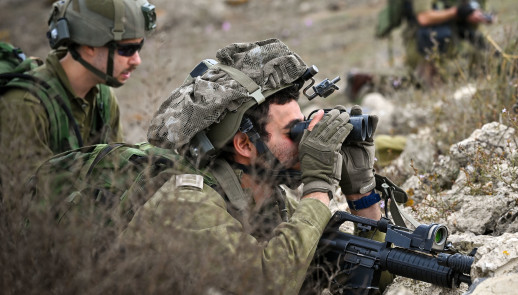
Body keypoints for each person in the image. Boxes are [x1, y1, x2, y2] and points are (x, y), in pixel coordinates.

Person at [121, 39, 387, 294]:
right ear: (245, 144)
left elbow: (363, 278)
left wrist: (361, 191)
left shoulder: (270, 202)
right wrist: (318, 186)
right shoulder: (186, 203)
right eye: (292, 132)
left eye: (302, 123)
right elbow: (266, 285)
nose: (305, 141)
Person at [0, 0, 155, 181]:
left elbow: (113, 174)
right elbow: (25, 200)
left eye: (139, 48)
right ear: (89, 45)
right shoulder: (25, 105)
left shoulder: (102, 96)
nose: (137, 61)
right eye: (125, 50)